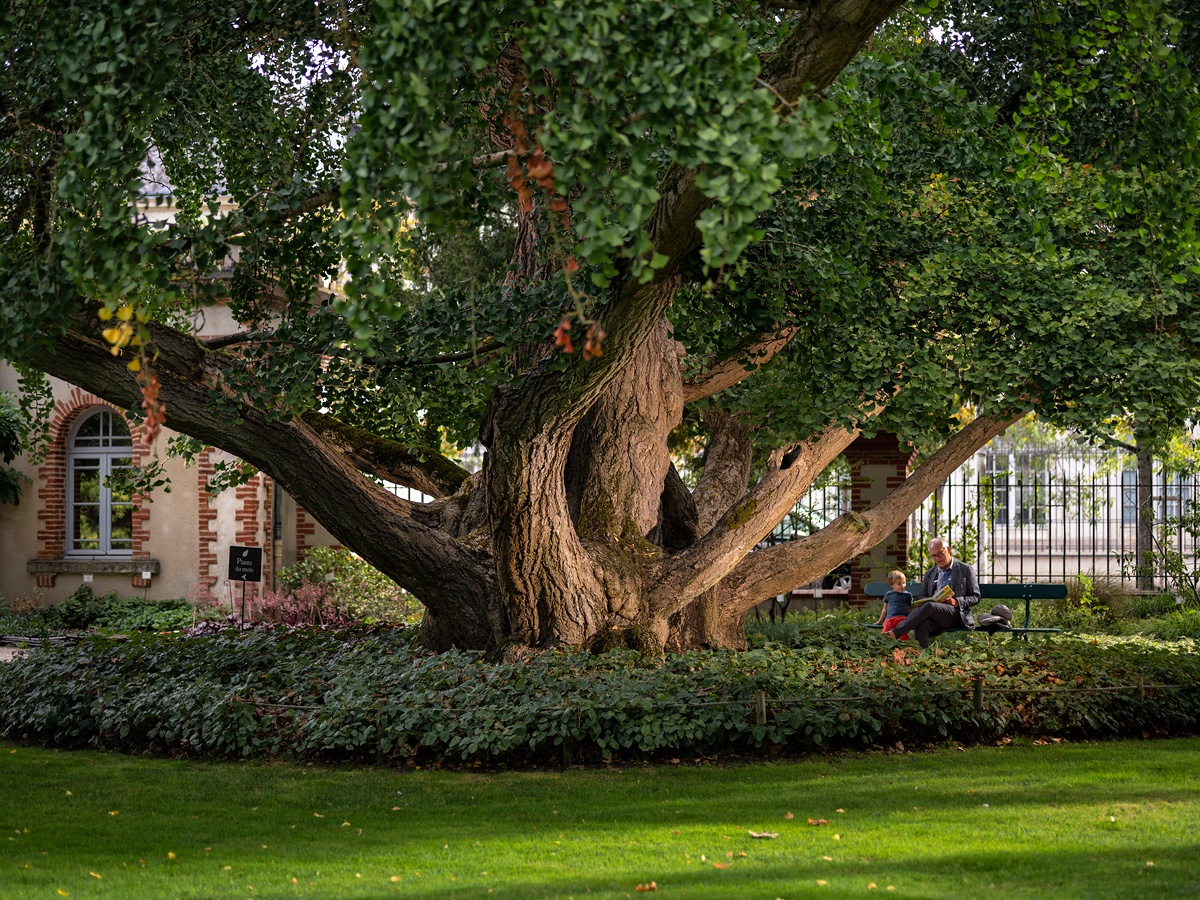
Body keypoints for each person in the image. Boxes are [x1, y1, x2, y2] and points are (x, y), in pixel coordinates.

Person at [883, 538, 980, 648]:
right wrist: (930, 599)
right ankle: (922, 657)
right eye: (934, 556)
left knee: (930, 606)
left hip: (955, 614)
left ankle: (895, 632)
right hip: (934, 614)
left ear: (948, 549)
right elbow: (921, 595)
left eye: (940, 553)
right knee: (921, 623)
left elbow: (975, 596)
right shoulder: (930, 573)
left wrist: (956, 601)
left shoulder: (965, 569)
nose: (937, 558)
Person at [874, 569, 912, 640]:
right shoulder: (889, 594)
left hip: (902, 618)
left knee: (903, 633)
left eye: (904, 583)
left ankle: (904, 647)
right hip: (890, 618)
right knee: (885, 634)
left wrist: (911, 620)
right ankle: (885, 647)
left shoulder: (908, 595)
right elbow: (884, 609)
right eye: (899, 584)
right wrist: (880, 621)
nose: (902, 586)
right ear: (892, 585)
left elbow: (909, 609)